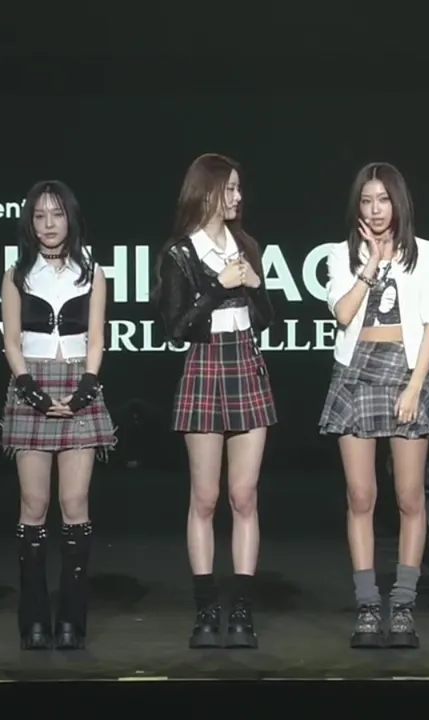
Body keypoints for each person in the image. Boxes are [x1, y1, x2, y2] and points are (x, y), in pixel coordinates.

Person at [319, 162, 429, 650]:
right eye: (366, 201)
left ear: (398, 202)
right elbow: (342, 313)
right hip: (355, 374)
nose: (375, 210)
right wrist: (370, 265)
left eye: (383, 200)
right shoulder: (341, 254)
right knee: (361, 496)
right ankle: (368, 606)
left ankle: (403, 606)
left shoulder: (426, 253)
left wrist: (416, 386)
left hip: (405, 372)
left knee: (410, 496)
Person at [155, 153, 275, 650]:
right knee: (204, 497)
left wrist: (254, 285)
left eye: (239, 189)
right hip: (204, 365)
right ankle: (206, 610)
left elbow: (266, 319)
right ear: (205, 192)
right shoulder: (180, 253)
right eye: (229, 189)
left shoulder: (247, 246)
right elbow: (175, 327)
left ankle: (242, 611)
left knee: (243, 496)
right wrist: (215, 286)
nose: (237, 198)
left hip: (245, 362)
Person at [0, 180, 116, 651]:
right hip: (31, 385)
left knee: (74, 501)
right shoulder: (16, 274)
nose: (48, 224)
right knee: (33, 504)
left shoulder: (92, 272)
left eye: (57, 214)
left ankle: (71, 620)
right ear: (30, 222)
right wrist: (30, 388)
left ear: (71, 218)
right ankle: (33, 619)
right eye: (39, 215)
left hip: (78, 383)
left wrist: (86, 387)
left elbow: (97, 338)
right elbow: (10, 340)